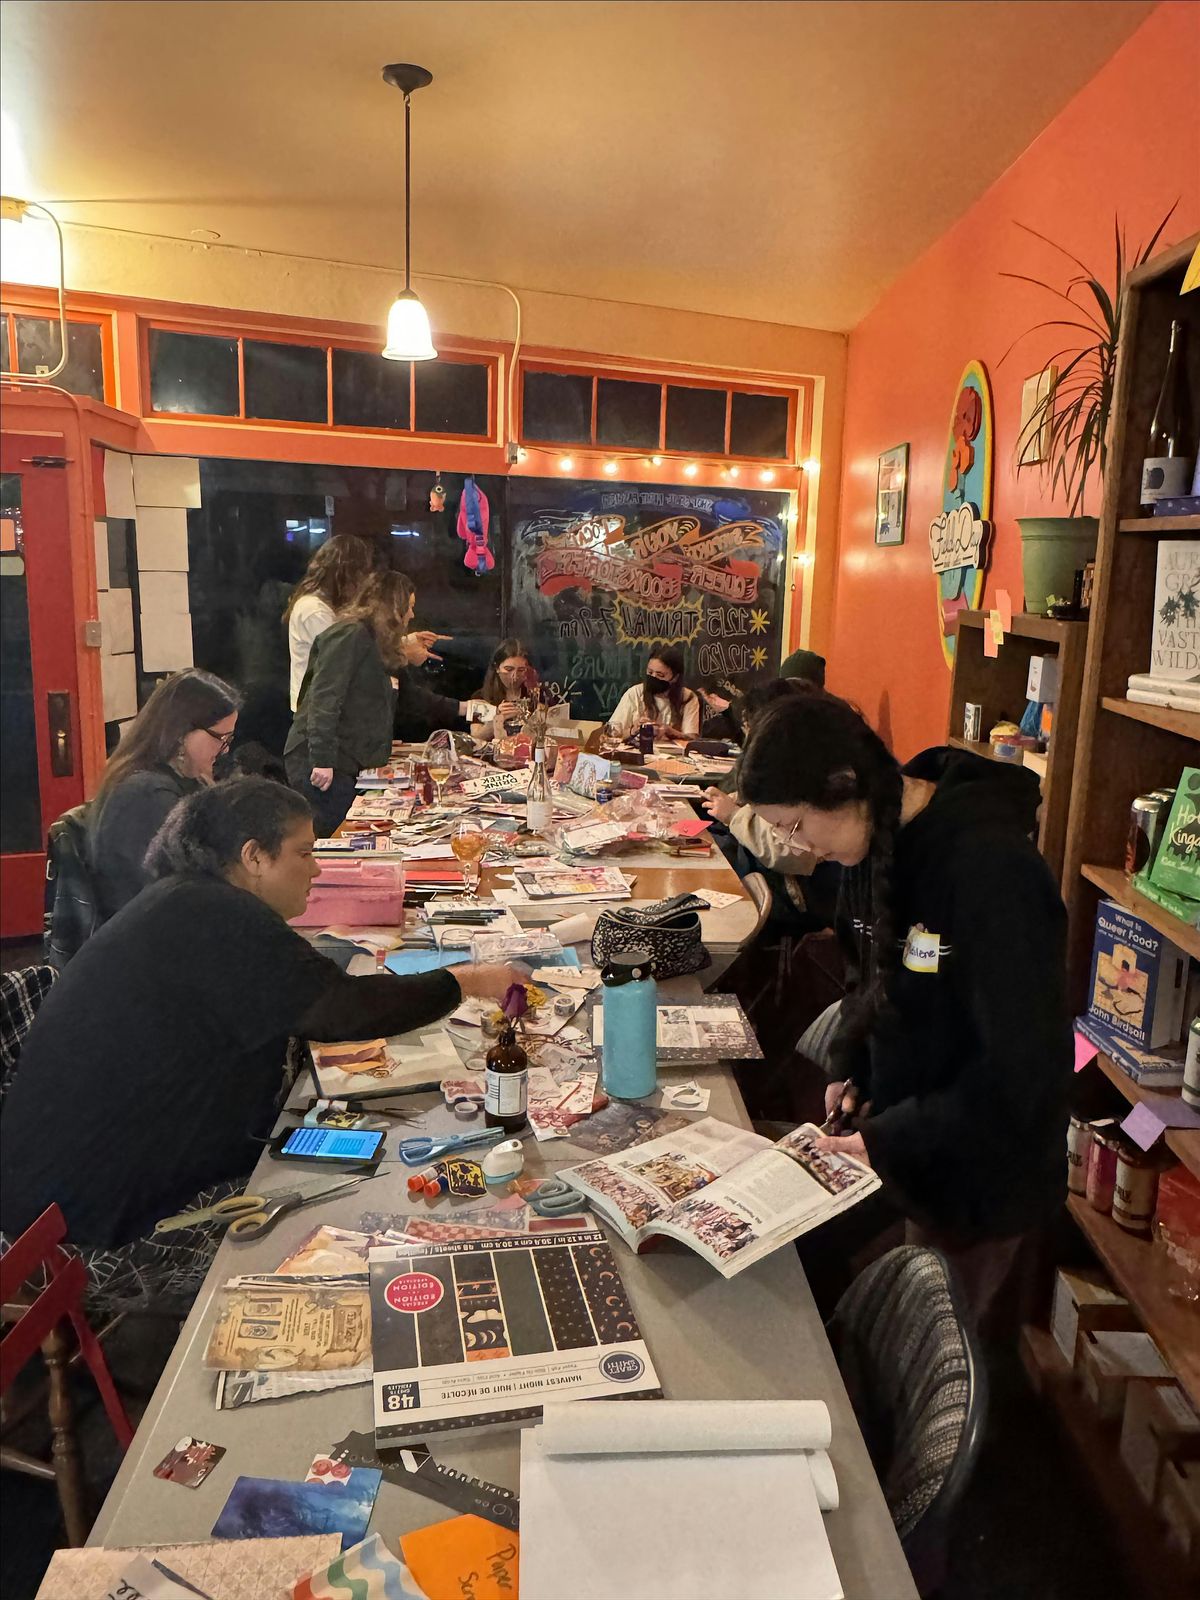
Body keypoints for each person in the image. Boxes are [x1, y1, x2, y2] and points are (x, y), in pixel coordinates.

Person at [0, 778, 526, 1307]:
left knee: (351, 1153)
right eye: (304, 853)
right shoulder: (215, 916)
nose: (316, 870)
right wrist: (468, 980)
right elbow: (343, 1009)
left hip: (70, 1204)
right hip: (95, 1242)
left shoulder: (187, 899)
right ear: (253, 856)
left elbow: (306, 1000)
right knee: (377, 1232)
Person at [738, 692, 1071, 1322]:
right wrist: (853, 1069)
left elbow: (1021, 1073)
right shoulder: (870, 844)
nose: (793, 845)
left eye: (795, 826)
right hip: (907, 1144)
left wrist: (887, 1136)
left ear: (844, 784)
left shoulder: (991, 871)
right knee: (789, 1277)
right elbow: (867, 979)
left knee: (933, 1341)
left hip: (978, 1177)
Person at [87, 669, 240, 920]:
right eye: (220, 737)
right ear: (180, 733)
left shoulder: (176, 781)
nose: (224, 750)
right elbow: (180, 886)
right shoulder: (147, 795)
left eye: (229, 738)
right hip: (146, 929)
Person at [284, 534, 375, 711]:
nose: (363, 581)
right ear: (346, 573)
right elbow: (342, 659)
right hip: (314, 711)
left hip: (324, 705)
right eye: (360, 573)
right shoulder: (314, 610)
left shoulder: (326, 605)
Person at [606, 647, 701, 742]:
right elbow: (611, 733)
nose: (653, 677)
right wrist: (634, 730)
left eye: (660, 675)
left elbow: (692, 739)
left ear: (675, 677)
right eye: (650, 672)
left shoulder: (688, 697)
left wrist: (671, 732)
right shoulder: (635, 693)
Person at [470, 639, 537, 739]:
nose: (514, 677)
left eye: (521, 670)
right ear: (497, 668)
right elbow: (475, 737)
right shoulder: (481, 697)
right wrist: (495, 719)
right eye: (508, 669)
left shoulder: (537, 695)